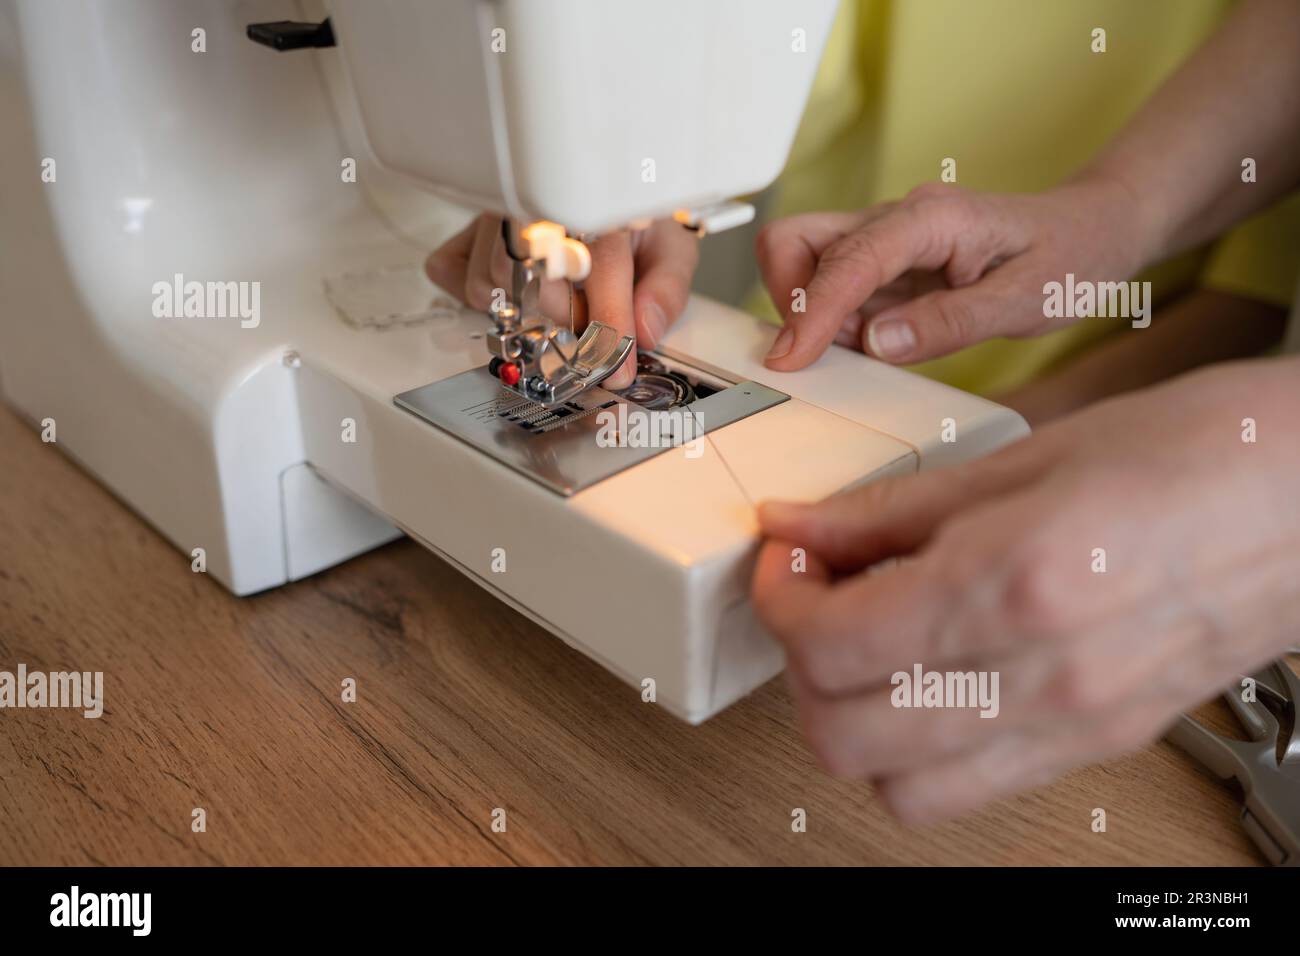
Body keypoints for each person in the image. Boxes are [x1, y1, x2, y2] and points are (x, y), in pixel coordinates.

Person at [429, 0, 1300, 820]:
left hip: (1094, 507)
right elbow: (732, 52)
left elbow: (1251, 297)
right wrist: (635, 176)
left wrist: (1272, 500)